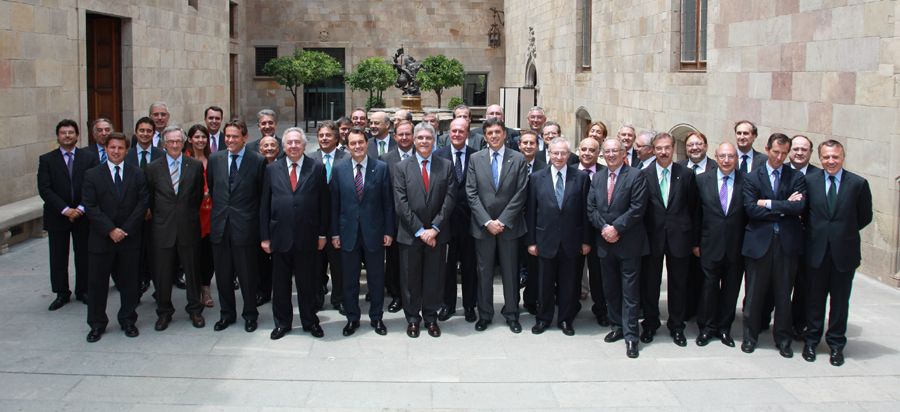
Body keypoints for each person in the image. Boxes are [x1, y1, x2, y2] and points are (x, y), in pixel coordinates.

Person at [802, 140, 872, 366]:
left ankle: (836, 345)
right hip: (816, 252)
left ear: (843, 157)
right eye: (826, 157)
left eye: (835, 157)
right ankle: (811, 341)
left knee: (840, 302)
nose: (830, 161)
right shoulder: (809, 181)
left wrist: (841, 233)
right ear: (820, 158)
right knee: (814, 300)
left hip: (844, 253)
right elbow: (804, 213)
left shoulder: (858, 184)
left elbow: (864, 216)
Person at [740, 133, 806, 357]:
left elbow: (798, 208)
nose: (779, 157)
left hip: (786, 244)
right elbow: (750, 209)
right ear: (767, 149)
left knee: (783, 295)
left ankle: (783, 339)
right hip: (759, 243)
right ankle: (750, 337)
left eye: (784, 153)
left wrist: (767, 203)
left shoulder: (795, 177)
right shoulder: (752, 178)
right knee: (754, 295)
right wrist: (783, 207)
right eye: (776, 152)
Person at [260, 127, 330, 340]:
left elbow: (324, 204)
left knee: (307, 284)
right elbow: (264, 205)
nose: (293, 146)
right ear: (284, 146)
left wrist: (322, 234)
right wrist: (264, 236)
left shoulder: (316, 168)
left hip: (307, 238)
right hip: (279, 237)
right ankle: (282, 323)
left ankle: (310, 321)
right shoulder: (273, 169)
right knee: (280, 286)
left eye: (297, 142)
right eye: (289, 143)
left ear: (304, 145)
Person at [81, 132, 148, 342]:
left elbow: (142, 203)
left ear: (126, 150)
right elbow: (90, 206)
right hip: (102, 239)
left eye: (120, 148)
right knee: (97, 284)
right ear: (106, 149)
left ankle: (128, 320)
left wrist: (125, 229)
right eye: (112, 148)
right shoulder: (92, 175)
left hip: (129, 239)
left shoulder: (136, 174)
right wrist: (110, 229)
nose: (116, 151)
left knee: (129, 283)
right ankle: (97, 324)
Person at [587, 137, 649, 359]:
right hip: (605, 243)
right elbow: (591, 207)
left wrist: (616, 228)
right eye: (608, 151)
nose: (611, 154)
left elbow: (637, 208)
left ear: (624, 153)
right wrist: (604, 227)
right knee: (610, 289)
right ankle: (617, 326)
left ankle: (632, 336)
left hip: (628, 243)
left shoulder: (636, 176)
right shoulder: (598, 177)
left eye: (616, 151)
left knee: (630, 292)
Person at [331, 127, 396, 337]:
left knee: (376, 280)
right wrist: (334, 233)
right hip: (347, 233)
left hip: (374, 233)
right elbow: (335, 205)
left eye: (360, 142)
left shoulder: (381, 168)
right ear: (347, 146)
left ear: (367, 143)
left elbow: (388, 203)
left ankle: (377, 318)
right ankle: (352, 318)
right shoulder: (339, 169)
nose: (357, 146)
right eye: (353, 143)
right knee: (349, 280)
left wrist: (388, 231)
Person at [466, 118, 529, 334]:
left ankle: (512, 314)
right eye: (490, 132)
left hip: (509, 227)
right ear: (485, 136)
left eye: (497, 132)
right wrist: (487, 221)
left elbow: (521, 193)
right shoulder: (475, 159)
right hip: (483, 228)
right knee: (483, 273)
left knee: (511, 272)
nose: (494, 136)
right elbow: (471, 192)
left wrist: (502, 221)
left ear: (504, 134)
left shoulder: (518, 158)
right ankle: (485, 314)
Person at [393, 122, 456, 338]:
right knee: (410, 279)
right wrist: (421, 230)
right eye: (419, 138)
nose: (423, 142)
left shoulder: (446, 166)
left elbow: (449, 200)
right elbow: (401, 203)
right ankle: (412, 319)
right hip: (410, 235)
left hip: (437, 235)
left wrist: (435, 228)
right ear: (414, 140)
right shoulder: (402, 168)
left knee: (434, 278)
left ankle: (431, 317)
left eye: (428, 138)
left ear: (435, 140)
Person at [526, 137, 591, 336]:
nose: (559, 157)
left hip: (572, 241)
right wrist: (531, 241)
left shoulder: (580, 178)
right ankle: (543, 319)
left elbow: (586, 212)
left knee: (569, 284)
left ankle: (565, 319)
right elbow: (531, 211)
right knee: (544, 283)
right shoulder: (537, 178)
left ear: (569, 155)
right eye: (555, 153)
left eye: (563, 153)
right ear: (549, 153)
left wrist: (586, 240)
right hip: (545, 240)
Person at [639, 132, 698, 347]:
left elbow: (693, 208)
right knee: (650, 284)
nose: (663, 152)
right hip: (652, 238)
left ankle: (676, 325)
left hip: (679, 238)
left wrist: (693, 240)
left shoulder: (687, 174)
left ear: (673, 149)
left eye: (667, 148)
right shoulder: (644, 175)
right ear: (652, 150)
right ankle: (650, 323)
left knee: (678, 284)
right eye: (658, 148)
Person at [207, 119, 266, 333]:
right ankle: (227, 314)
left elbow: (261, 197)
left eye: (234, 136)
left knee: (248, 276)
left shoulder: (257, 161)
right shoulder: (215, 159)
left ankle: (250, 314)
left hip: (246, 228)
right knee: (223, 276)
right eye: (227, 136)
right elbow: (214, 190)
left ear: (245, 138)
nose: (230, 140)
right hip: (221, 227)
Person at [144, 126, 206, 331]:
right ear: (163, 144)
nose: (174, 145)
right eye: (170, 141)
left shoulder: (195, 166)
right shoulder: (153, 168)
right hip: (163, 229)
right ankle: (164, 312)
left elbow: (196, 197)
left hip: (188, 227)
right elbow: (152, 199)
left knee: (193, 271)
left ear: (184, 142)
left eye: (178, 141)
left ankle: (195, 309)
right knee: (162, 274)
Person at [38, 119, 99, 310]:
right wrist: (65, 210)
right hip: (58, 215)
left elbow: (93, 185)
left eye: (71, 132)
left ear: (77, 135)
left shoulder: (88, 158)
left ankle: (83, 290)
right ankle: (61, 292)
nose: (67, 136)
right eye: (63, 133)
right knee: (58, 256)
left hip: (83, 215)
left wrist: (81, 208)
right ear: (58, 136)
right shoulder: (47, 159)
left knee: (83, 255)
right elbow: (45, 188)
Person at [694, 143, 746, 348]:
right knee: (708, 288)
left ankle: (725, 328)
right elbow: (696, 214)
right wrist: (695, 243)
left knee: (731, 290)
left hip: (736, 246)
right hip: (709, 244)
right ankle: (706, 328)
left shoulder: (746, 181)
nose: (726, 160)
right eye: (722, 156)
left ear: (736, 159)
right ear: (716, 157)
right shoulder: (701, 180)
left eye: (731, 156)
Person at [434, 118, 478, 322]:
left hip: (470, 222)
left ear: (467, 133)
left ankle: (470, 306)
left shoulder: (476, 157)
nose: (457, 134)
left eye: (461, 131)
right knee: (447, 267)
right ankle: (447, 304)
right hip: (446, 222)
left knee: (470, 266)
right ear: (448, 133)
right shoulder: (438, 156)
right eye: (454, 131)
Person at [308, 121, 347, 314]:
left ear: (336, 138)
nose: (324, 138)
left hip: (339, 221)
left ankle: (339, 298)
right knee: (315, 264)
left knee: (338, 264)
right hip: (315, 222)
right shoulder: (310, 159)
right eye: (321, 135)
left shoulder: (346, 159)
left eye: (328, 135)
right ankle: (316, 298)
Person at [125, 117, 165, 295]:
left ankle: (159, 289)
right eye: (141, 130)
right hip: (132, 214)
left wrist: (150, 208)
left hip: (155, 213)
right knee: (135, 254)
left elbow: (164, 185)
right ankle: (137, 287)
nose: (145, 134)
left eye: (149, 131)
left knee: (156, 254)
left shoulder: (161, 155)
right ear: (136, 132)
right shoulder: (127, 155)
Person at [380, 120, 416, 313]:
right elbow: (383, 193)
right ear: (394, 137)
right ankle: (397, 296)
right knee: (394, 262)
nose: (404, 138)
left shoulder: (423, 155)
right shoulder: (385, 159)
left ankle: (415, 295)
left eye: (407, 134)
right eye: (400, 134)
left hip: (418, 220)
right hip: (394, 220)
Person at [789, 134, 820, 338]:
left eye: (804, 149)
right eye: (796, 149)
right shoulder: (777, 172)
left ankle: (799, 324)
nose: (799, 153)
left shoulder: (819, 176)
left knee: (804, 285)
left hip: (809, 241)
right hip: (781, 238)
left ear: (810, 152)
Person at [575, 137, 607, 325]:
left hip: (598, 233)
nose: (587, 153)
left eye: (592, 150)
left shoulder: (604, 172)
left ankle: (601, 310)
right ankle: (571, 307)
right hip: (573, 232)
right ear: (579, 150)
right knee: (572, 275)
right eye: (584, 149)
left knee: (598, 276)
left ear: (598, 152)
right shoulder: (569, 170)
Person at [184, 124, 215, 308]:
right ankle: (194, 290)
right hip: (192, 214)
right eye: (196, 137)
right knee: (192, 254)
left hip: (210, 213)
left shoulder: (213, 160)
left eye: (203, 137)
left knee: (207, 254)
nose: (200, 140)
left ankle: (206, 288)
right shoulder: (184, 160)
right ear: (190, 140)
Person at [254, 134, 281, 307]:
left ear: (278, 149)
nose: (269, 148)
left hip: (279, 220)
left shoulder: (282, 166)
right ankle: (263, 291)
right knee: (261, 260)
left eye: (273, 145)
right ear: (259, 149)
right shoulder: (255, 167)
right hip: (260, 218)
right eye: (265, 146)